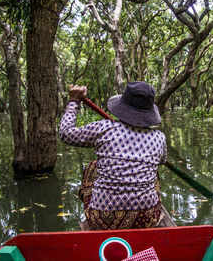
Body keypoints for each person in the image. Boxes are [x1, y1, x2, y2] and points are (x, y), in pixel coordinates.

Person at [59, 81, 167, 230]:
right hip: (145, 218)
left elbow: (66, 134)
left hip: (102, 218)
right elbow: (162, 161)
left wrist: (74, 101)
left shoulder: (104, 128)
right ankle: (157, 216)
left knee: (92, 167)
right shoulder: (160, 138)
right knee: (153, 173)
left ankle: (90, 221)